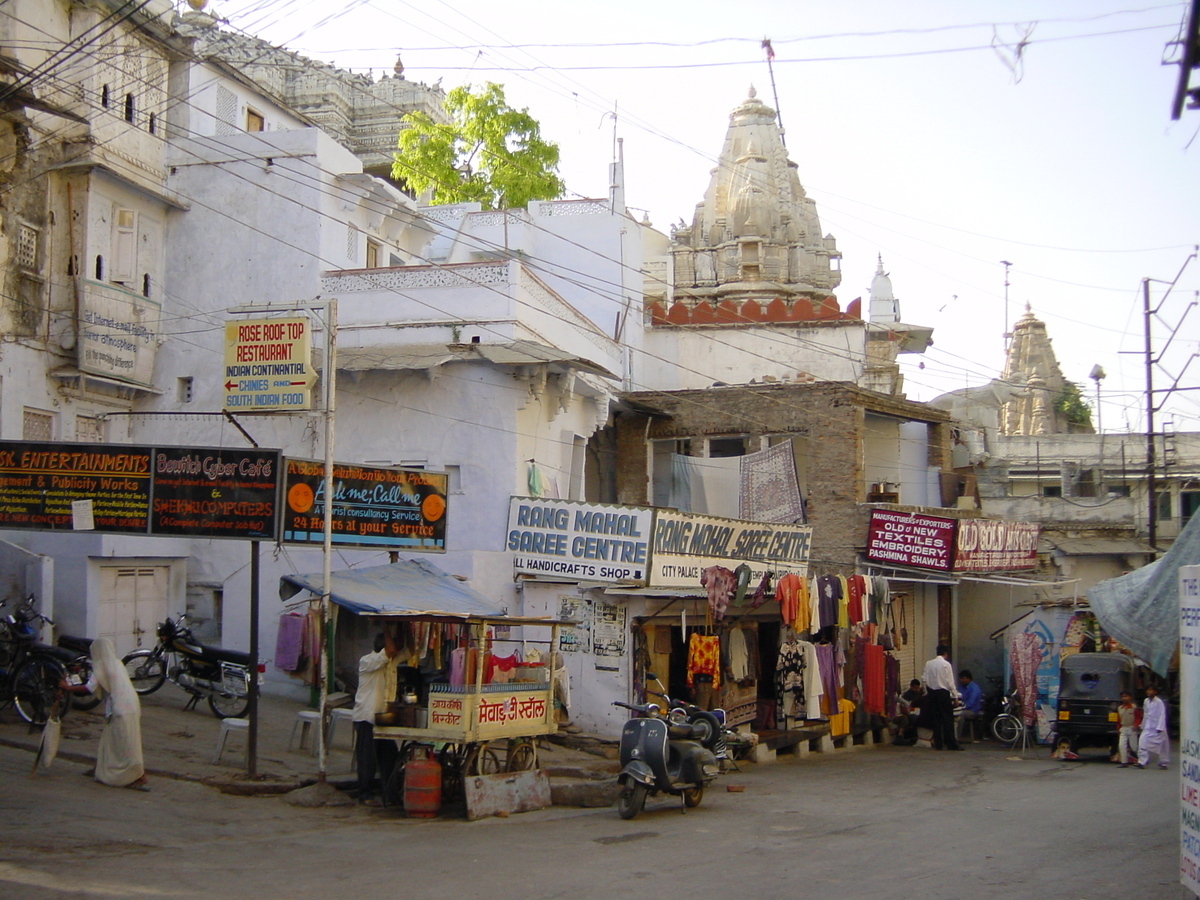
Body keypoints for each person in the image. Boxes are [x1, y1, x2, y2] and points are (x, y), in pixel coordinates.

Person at [61, 637, 148, 790]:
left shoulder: (101, 667)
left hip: (120, 709)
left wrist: (68, 688)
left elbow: (89, 688)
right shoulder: (117, 664)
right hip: (132, 705)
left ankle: (137, 775)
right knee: (118, 740)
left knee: (125, 744)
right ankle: (101, 768)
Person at [352, 628, 400, 806]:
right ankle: (365, 795)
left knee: (390, 758)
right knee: (367, 760)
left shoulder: (389, 663)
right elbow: (391, 651)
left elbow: (407, 652)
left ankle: (391, 794)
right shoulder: (368, 661)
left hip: (382, 718)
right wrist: (387, 625)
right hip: (367, 717)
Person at [921, 644, 961, 751]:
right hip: (943, 693)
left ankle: (938, 744)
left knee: (936, 719)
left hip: (932, 693)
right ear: (946, 653)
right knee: (947, 719)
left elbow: (924, 679)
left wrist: (927, 690)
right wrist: (955, 696)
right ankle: (951, 743)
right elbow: (950, 682)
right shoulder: (946, 664)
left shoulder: (928, 664)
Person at [1136, 684, 1170, 770]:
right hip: (1148, 726)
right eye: (1148, 690)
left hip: (1158, 727)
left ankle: (1163, 762)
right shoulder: (1146, 701)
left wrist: (1160, 727)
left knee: (1163, 745)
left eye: (1151, 690)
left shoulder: (1159, 702)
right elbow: (1145, 714)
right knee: (1142, 742)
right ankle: (1142, 761)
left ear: (1155, 692)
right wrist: (1142, 725)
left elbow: (1162, 714)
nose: (1149, 692)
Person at [955, 669, 983, 742]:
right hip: (961, 707)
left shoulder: (974, 688)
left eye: (963, 678)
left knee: (959, 715)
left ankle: (956, 738)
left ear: (968, 678)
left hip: (972, 710)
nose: (961, 680)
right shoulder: (960, 687)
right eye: (960, 678)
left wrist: (960, 707)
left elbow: (970, 703)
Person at [892, 679, 923, 745]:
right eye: (915, 688)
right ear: (911, 687)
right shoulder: (906, 696)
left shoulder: (919, 694)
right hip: (908, 713)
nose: (916, 690)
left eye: (917, 688)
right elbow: (904, 707)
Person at [1115, 690, 1140, 768]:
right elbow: (1118, 720)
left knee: (1134, 746)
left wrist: (1136, 725)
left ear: (1130, 697)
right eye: (1122, 697)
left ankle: (1141, 760)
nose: (1124, 698)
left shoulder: (1133, 707)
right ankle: (1124, 762)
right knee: (1122, 745)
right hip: (1123, 728)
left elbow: (1138, 717)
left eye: (1126, 696)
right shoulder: (1120, 708)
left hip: (1131, 728)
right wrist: (1118, 729)